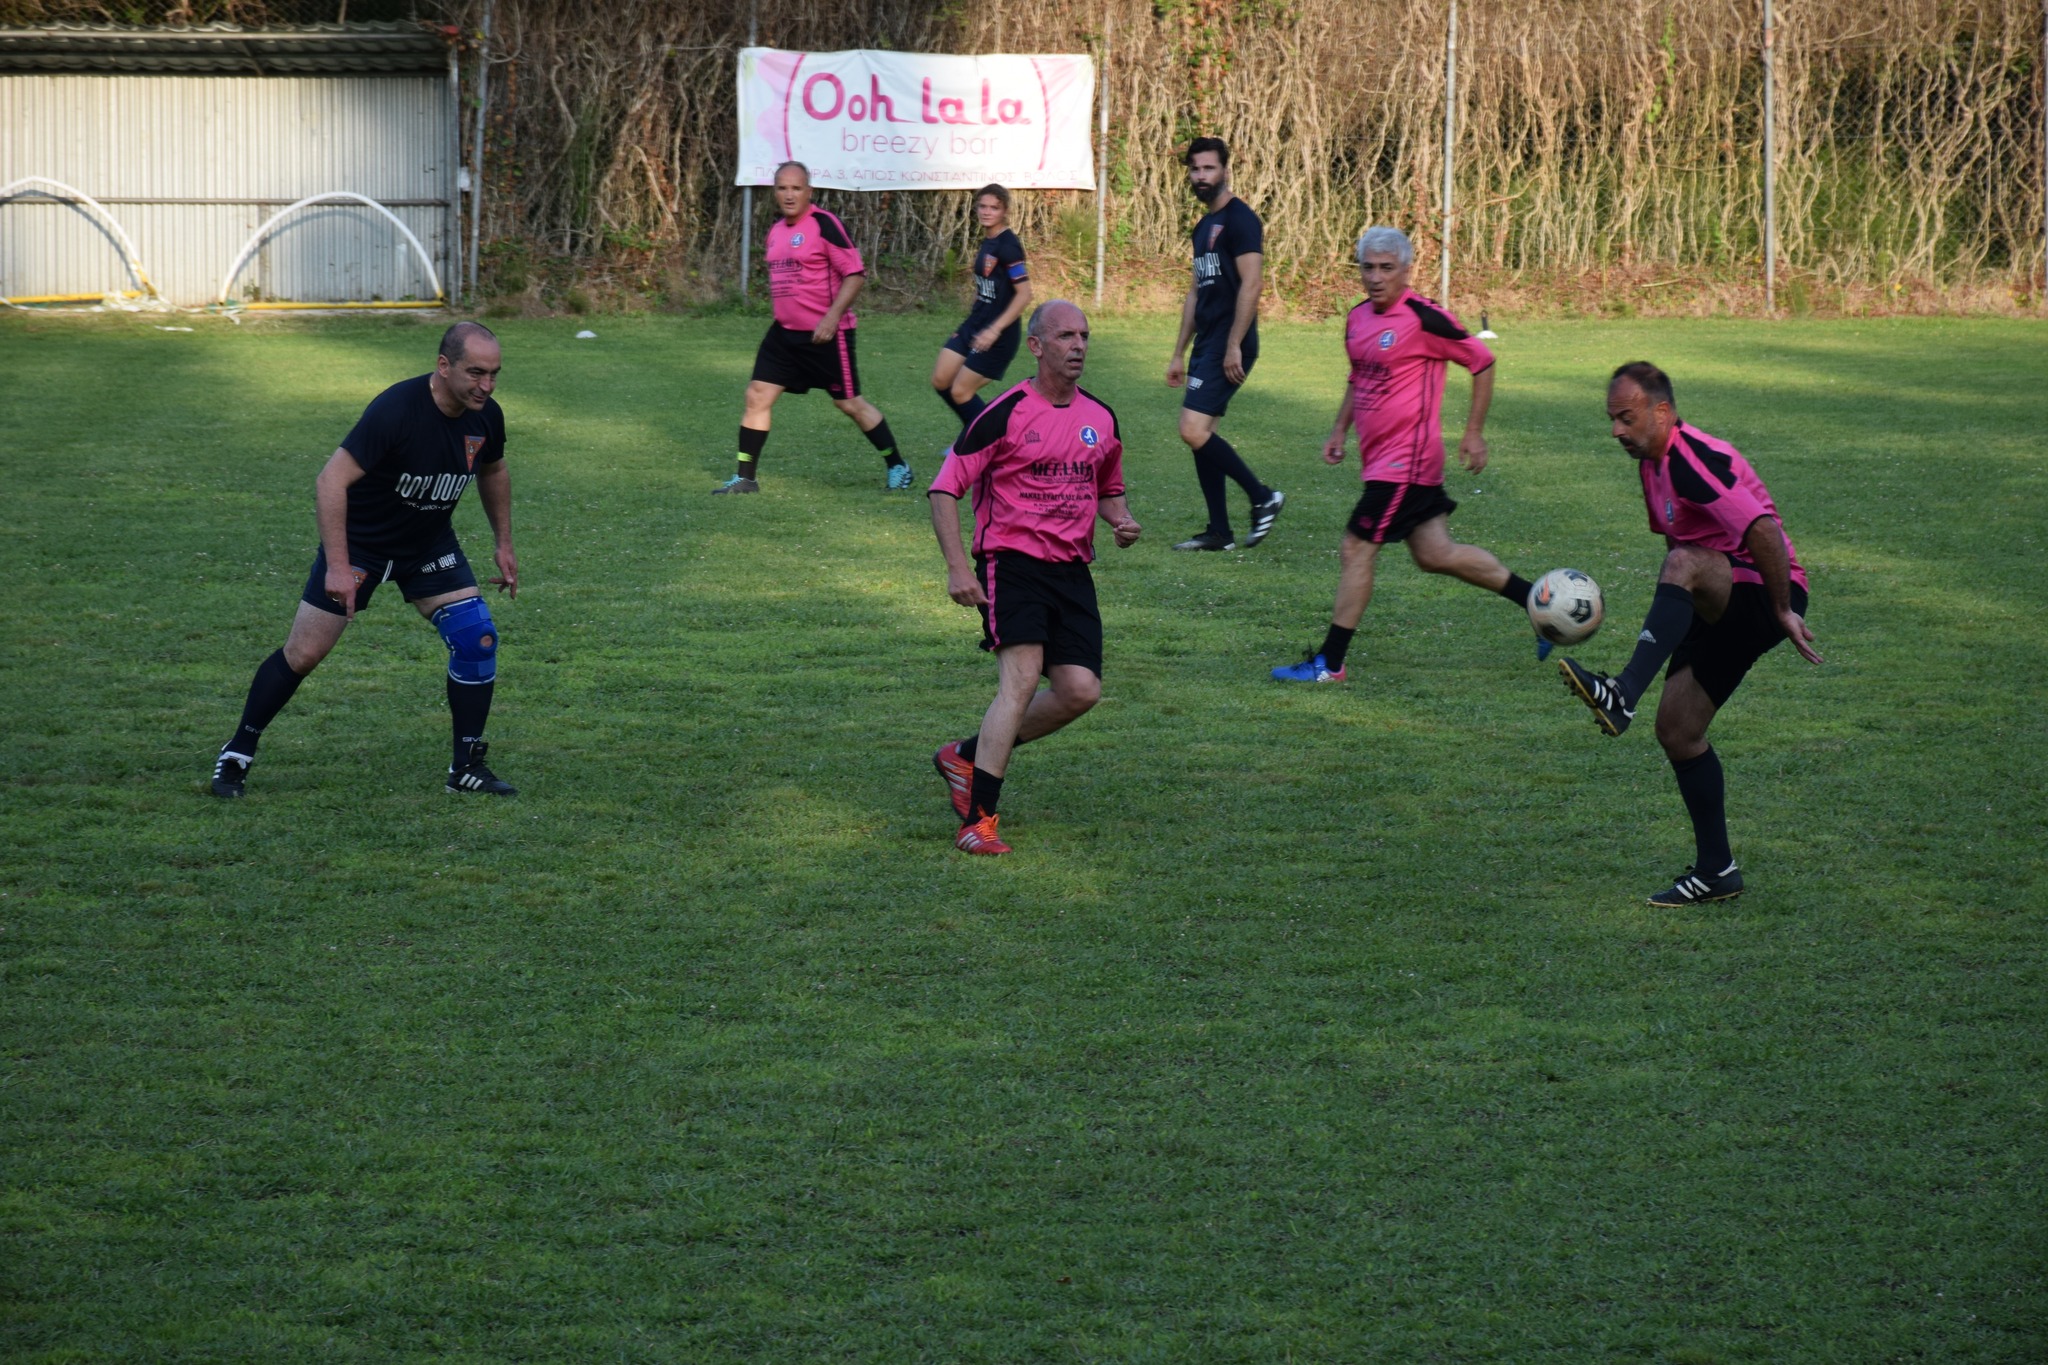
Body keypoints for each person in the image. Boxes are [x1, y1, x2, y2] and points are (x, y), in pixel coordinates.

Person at [211, 321, 520, 798]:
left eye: (494, 374)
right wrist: (338, 566)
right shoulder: (397, 410)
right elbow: (330, 481)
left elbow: (493, 470)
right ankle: (237, 752)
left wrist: (503, 543)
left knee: (477, 638)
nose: (487, 385)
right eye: (476, 373)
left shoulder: (486, 417)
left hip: (428, 545)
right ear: (444, 366)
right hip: (361, 546)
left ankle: (466, 768)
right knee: (304, 653)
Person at [1559, 362, 1822, 907]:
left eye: (1626, 418)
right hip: (1718, 593)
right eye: (1612, 419)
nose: (1616, 431)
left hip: (1764, 589)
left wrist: (1782, 608)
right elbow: (1679, 541)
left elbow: (1763, 530)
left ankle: (1622, 694)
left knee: (1682, 563)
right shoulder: (1650, 465)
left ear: (1661, 412)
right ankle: (1717, 871)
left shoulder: (1691, 459)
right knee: (1678, 731)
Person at [1272, 227, 1535, 682]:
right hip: (1380, 462)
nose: (1375, 277)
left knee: (1356, 547)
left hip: (1406, 464)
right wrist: (1339, 428)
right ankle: (1538, 602)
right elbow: (1359, 377)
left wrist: (1474, 433)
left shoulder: (1425, 318)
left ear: (1407, 270)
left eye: (1386, 268)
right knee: (1435, 554)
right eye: (1367, 267)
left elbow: (1482, 361)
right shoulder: (1357, 318)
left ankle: (1330, 665)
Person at [927, 301, 1141, 855]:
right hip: (1010, 564)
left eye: (1084, 336)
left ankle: (964, 756)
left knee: (1079, 691)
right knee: (1020, 681)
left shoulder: (1101, 418)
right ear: (1037, 346)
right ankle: (978, 821)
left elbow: (1107, 488)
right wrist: (957, 568)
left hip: (1071, 570)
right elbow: (944, 489)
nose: (1079, 346)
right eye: (1066, 336)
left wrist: (1120, 521)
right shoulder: (1003, 413)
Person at [717, 161, 910, 493]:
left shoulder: (824, 224)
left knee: (849, 404)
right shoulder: (776, 231)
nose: (789, 195)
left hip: (827, 335)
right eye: (782, 188)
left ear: (809, 191)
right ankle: (746, 478)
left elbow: (855, 275)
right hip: (784, 334)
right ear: (774, 192)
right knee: (757, 395)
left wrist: (831, 318)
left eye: (796, 188)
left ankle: (897, 465)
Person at [1165, 136, 1284, 551]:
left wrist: (1234, 344)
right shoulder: (1202, 228)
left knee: (1191, 429)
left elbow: (1253, 284)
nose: (1201, 176)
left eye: (1209, 168)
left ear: (1225, 170)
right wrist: (1179, 352)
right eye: (1195, 169)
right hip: (1208, 340)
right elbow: (1195, 293)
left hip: (1230, 341)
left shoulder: (1241, 220)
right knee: (1204, 434)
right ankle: (1219, 531)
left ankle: (1262, 497)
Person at [931, 184, 1033, 432]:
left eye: (994, 208)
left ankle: (988, 441)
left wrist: (994, 330)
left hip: (998, 335)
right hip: (975, 324)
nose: (987, 212)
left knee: (961, 391)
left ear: (1005, 211)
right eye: (983, 206)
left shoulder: (1008, 246)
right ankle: (974, 435)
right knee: (941, 379)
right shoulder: (989, 241)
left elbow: (1025, 294)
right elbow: (987, 283)